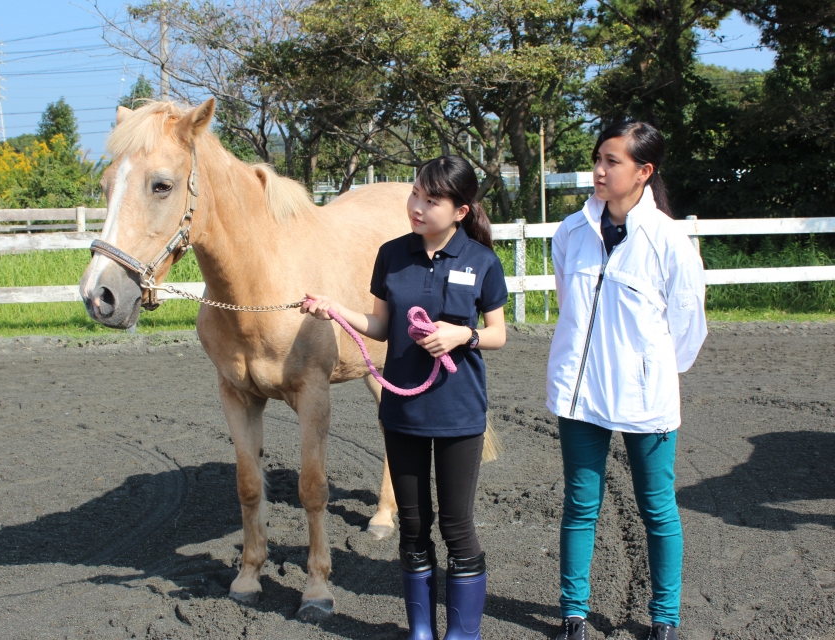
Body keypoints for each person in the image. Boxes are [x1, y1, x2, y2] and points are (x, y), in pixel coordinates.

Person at [302, 156, 508, 640]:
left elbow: (499, 333)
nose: (416, 206)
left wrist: (462, 336)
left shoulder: (482, 261)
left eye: (430, 200)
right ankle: (420, 632)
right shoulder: (392, 254)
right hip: (404, 412)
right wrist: (335, 310)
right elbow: (379, 326)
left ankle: (461, 634)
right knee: (414, 529)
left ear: (460, 210)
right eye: (415, 195)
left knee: (457, 527)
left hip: (459, 413)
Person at [547, 121, 707, 640]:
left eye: (612, 161)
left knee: (658, 510)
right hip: (580, 395)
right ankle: (573, 611)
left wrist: (649, 371)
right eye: (598, 158)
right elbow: (571, 307)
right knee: (580, 505)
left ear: (644, 171)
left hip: (646, 399)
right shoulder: (570, 232)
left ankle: (665, 618)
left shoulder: (669, 241)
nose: (599, 170)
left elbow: (687, 326)